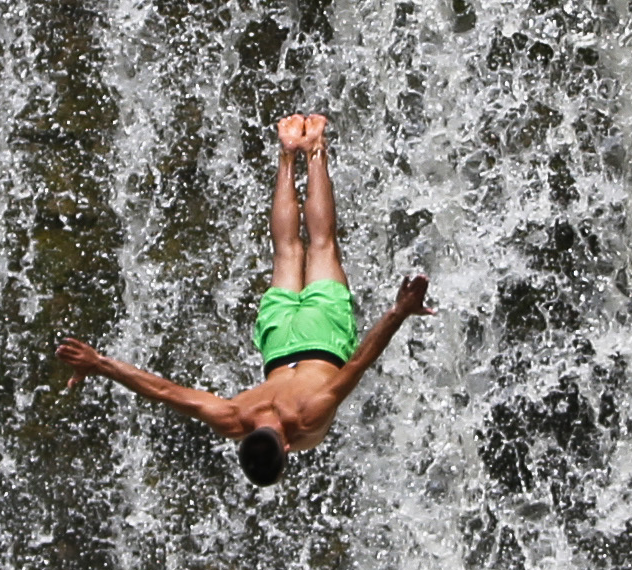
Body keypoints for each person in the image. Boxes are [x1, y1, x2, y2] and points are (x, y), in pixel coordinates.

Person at [55, 113, 434, 486]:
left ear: (286, 448)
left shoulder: (307, 416)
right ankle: (289, 152)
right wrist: (100, 363)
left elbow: (359, 363)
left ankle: (316, 146)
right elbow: (164, 391)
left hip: (323, 340)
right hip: (276, 341)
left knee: (321, 245)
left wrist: (399, 312)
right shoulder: (234, 417)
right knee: (286, 250)